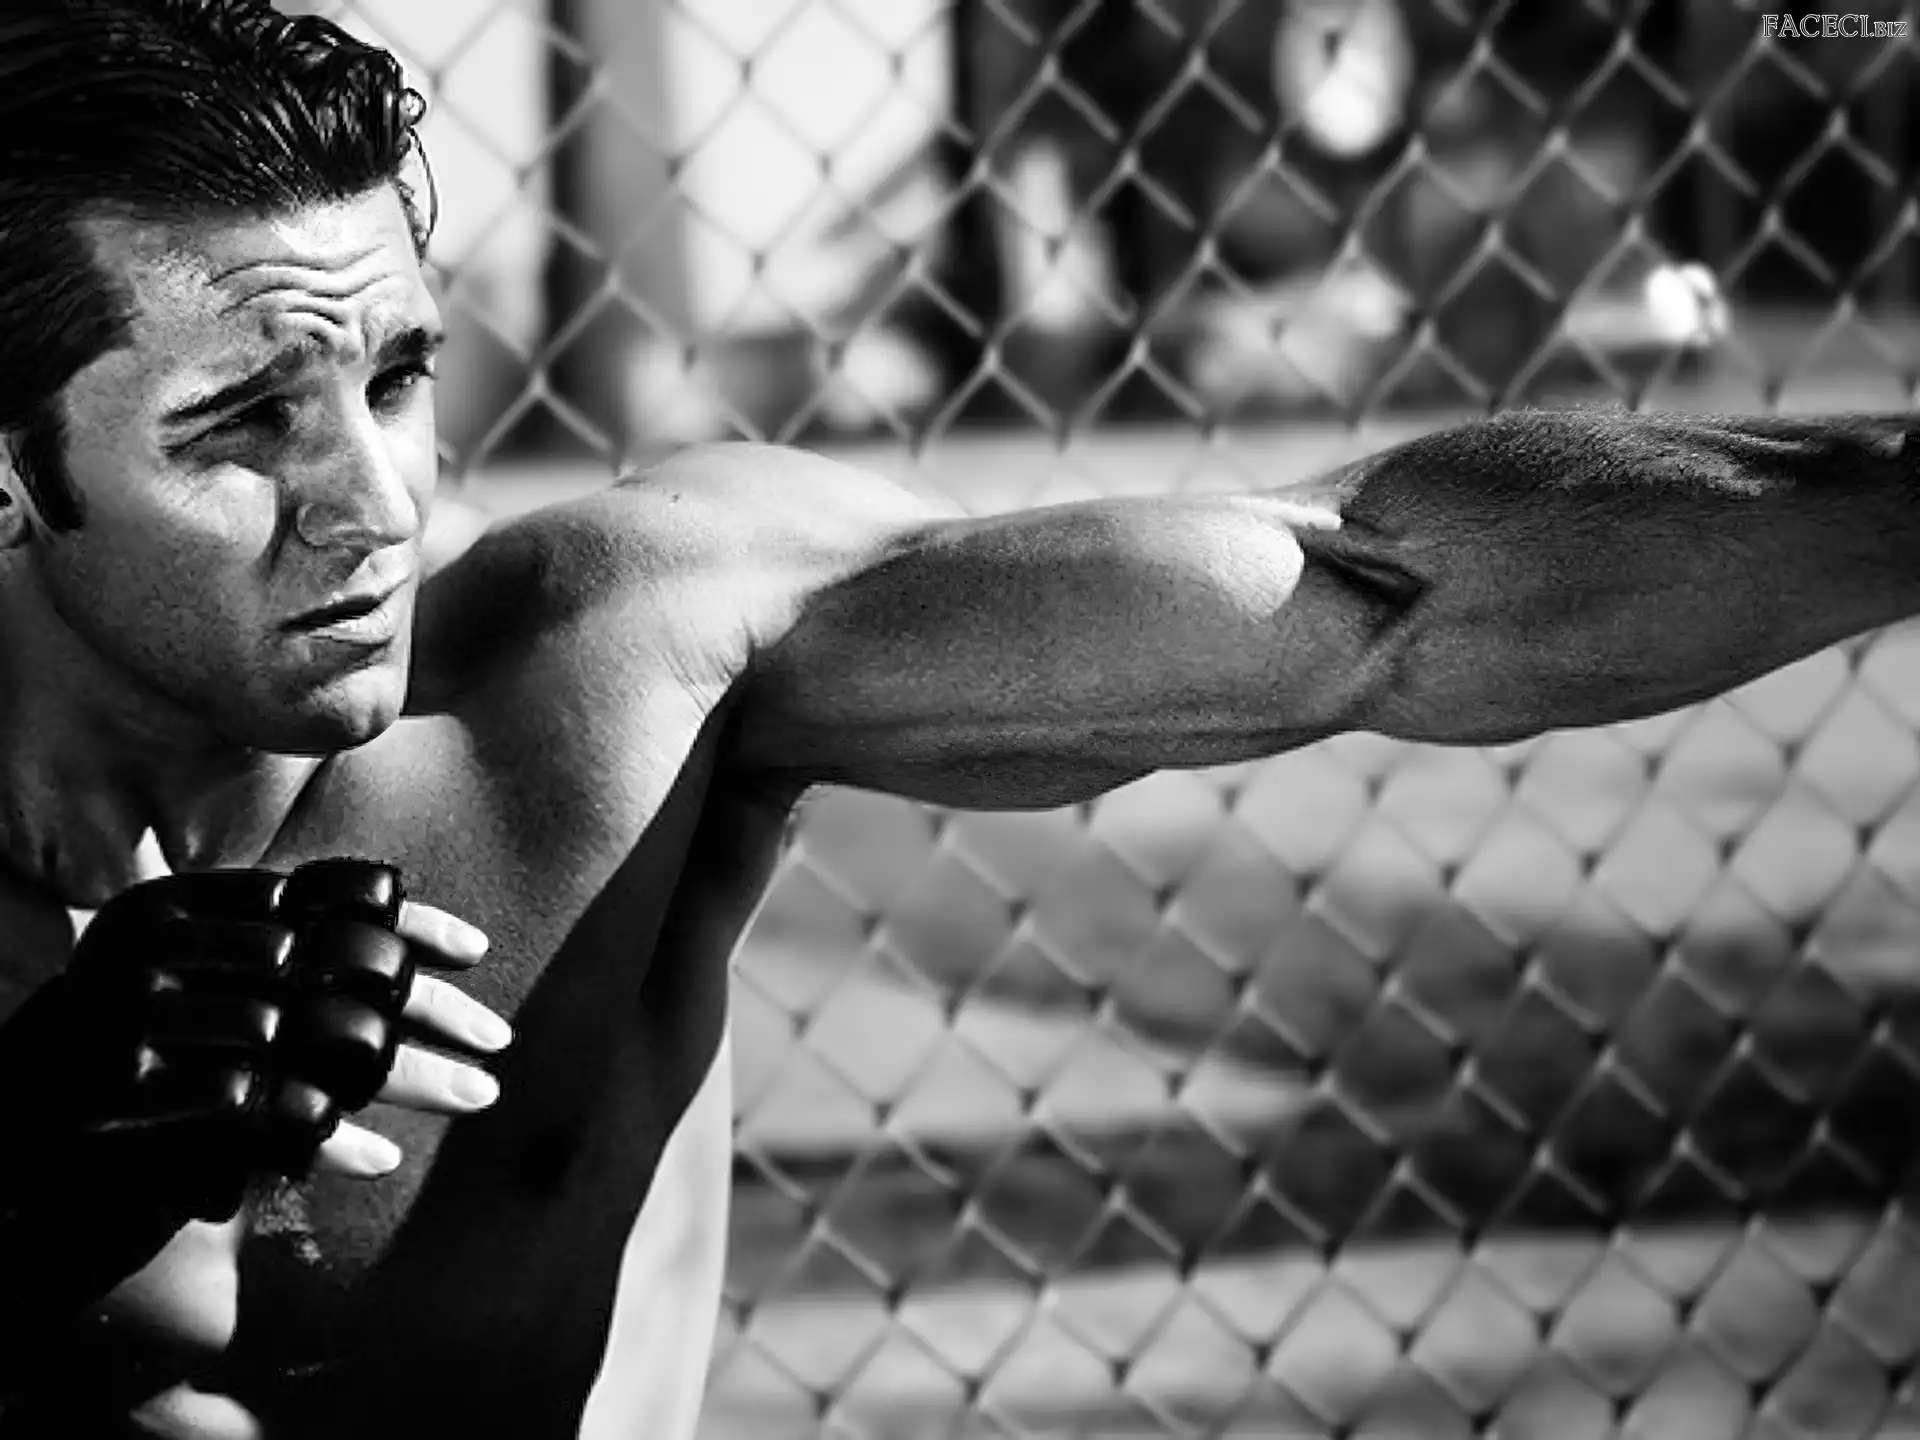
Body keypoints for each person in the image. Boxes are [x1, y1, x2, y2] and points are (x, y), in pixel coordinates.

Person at [0, 2, 1915, 1437]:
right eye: (240, 424)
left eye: (400, 379)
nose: (378, 503)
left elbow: (1395, 599)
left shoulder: (610, 661)